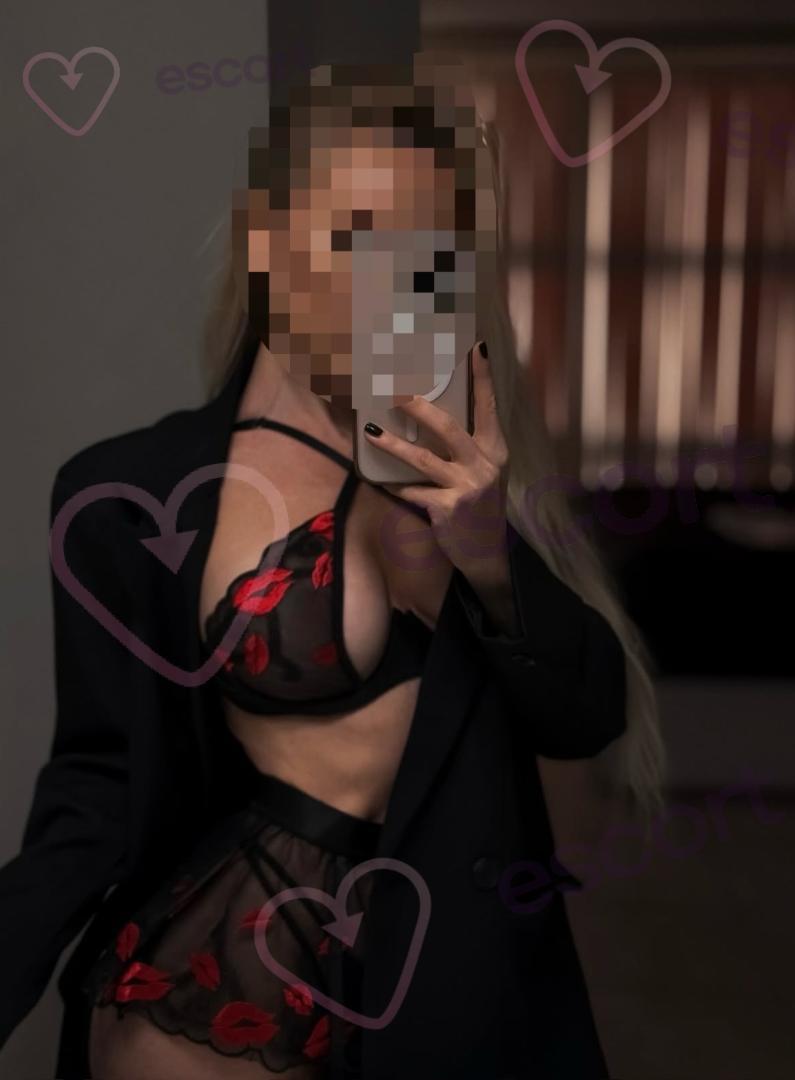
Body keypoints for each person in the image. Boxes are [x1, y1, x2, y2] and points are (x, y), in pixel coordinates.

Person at [0, 54, 663, 1080]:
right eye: (355, 234)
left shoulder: (465, 464)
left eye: (425, 246)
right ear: (267, 241)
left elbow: (587, 717)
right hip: (217, 996)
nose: (389, 278)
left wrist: (487, 556)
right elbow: (95, 790)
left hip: (443, 997)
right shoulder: (128, 496)